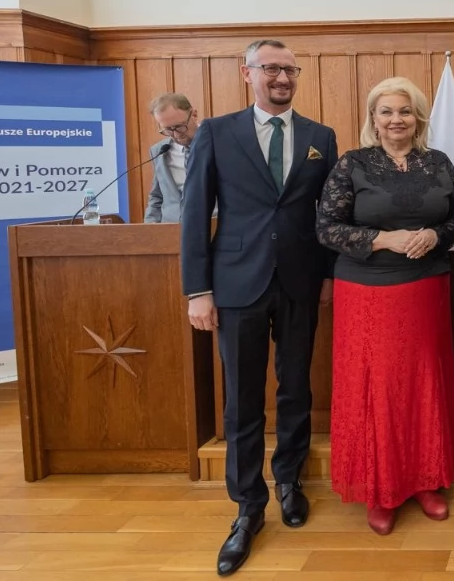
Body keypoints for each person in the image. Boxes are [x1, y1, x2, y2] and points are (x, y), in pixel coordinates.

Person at [181, 39, 338, 577]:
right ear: (246, 73)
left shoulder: (321, 137)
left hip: (301, 282)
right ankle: (248, 508)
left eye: (290, 69)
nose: (282, 77)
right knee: (242, 399)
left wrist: (328, 276)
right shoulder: (217, 133)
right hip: (235, 284)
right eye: (270, 68)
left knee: (296, 388)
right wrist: (197, 291)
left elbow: (330, 216)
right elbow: (195, 213)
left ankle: (289, 481)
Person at [316, 76, 454, 537]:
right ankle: (381, 489)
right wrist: (382, 238)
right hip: (367, 292)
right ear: (373, 118)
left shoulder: (438, 162)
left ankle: (425, 480)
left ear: (418, 116)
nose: (396, 119)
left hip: (426, 289)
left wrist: (436, 235)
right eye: (386, 111)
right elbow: (326, 227)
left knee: (423, 383)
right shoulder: (352, 163)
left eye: (404, 111)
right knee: (377, 388)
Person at [144, 92, 199, 223]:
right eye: (167, 130)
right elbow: (157, 195)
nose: (175, 134)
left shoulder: (218, 143)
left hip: (212, 227)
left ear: (194, 115)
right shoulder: (159, 151)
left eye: (179, 126)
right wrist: (149, 228)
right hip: (170, 230)